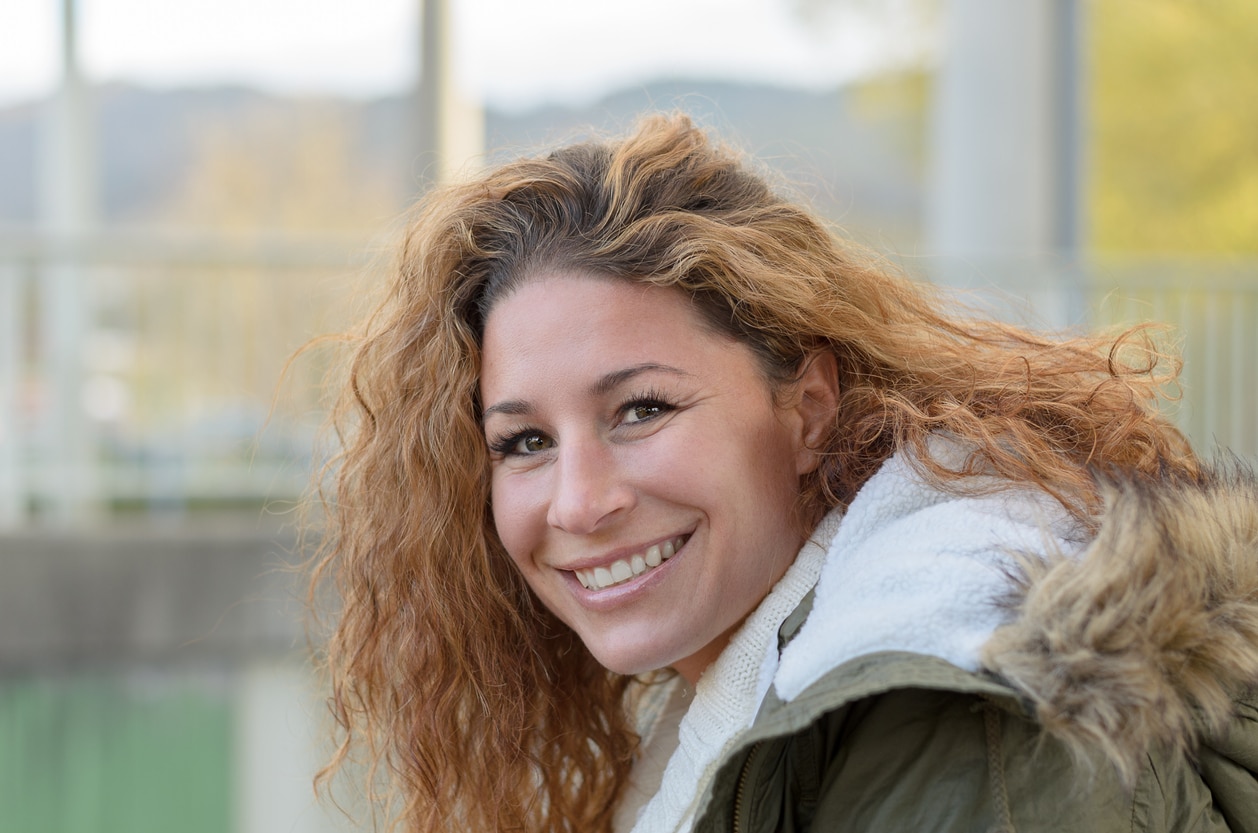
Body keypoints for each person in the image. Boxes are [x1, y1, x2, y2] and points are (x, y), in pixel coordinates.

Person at [310, 113, 1258, 833]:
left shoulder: (948, 705)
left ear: (806, 409)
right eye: (524, 441)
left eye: (642, 409)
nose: (580, 501)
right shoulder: (745, 686)